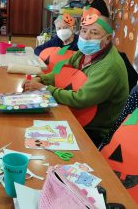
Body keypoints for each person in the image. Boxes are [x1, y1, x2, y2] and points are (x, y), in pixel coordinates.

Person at [23, 15, 128, 146]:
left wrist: (44, 89)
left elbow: (81, 99)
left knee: (39, 142)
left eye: (94, 33)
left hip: (93, 130)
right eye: (84, 31)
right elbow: (61, 72)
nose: (86, 36)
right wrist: (41, 79)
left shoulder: (109, 66)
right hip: (73, 113)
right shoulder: (84, 53)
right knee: (27, 124)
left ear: (107, 39)